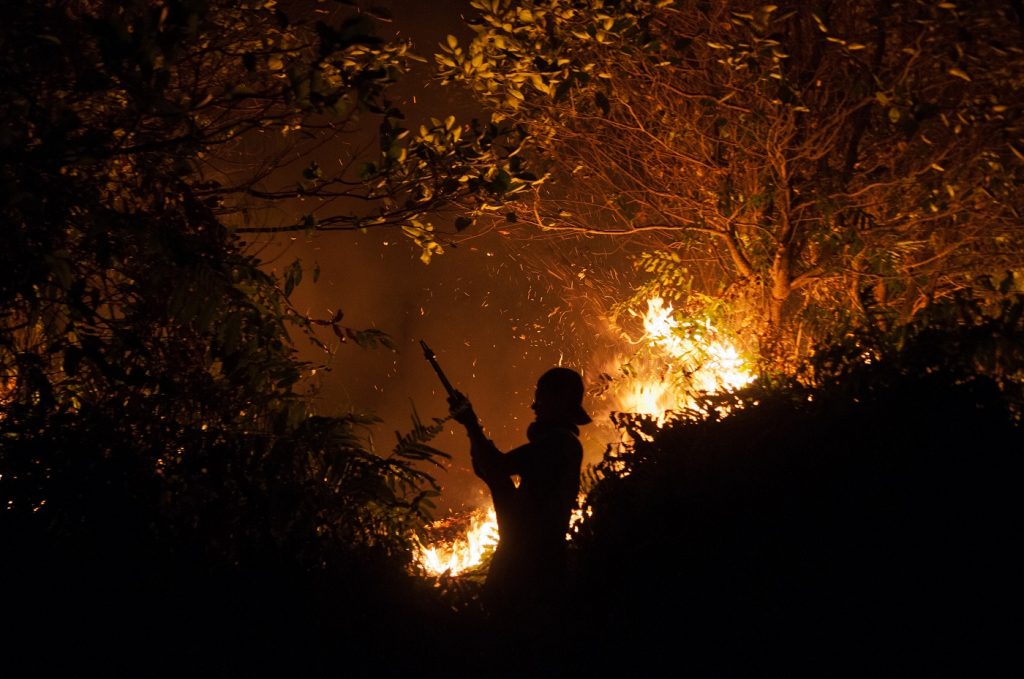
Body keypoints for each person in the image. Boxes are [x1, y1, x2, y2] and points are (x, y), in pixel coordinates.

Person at [448, 367, 590, 622]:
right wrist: (473, 430)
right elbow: (493, 472)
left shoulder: (559, 445)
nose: (533, 406)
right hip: (531, 565)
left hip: (531, 570)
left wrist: (471, 423)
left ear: (558, 401)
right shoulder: (561, 445)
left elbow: (495, 467)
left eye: (540, 397)